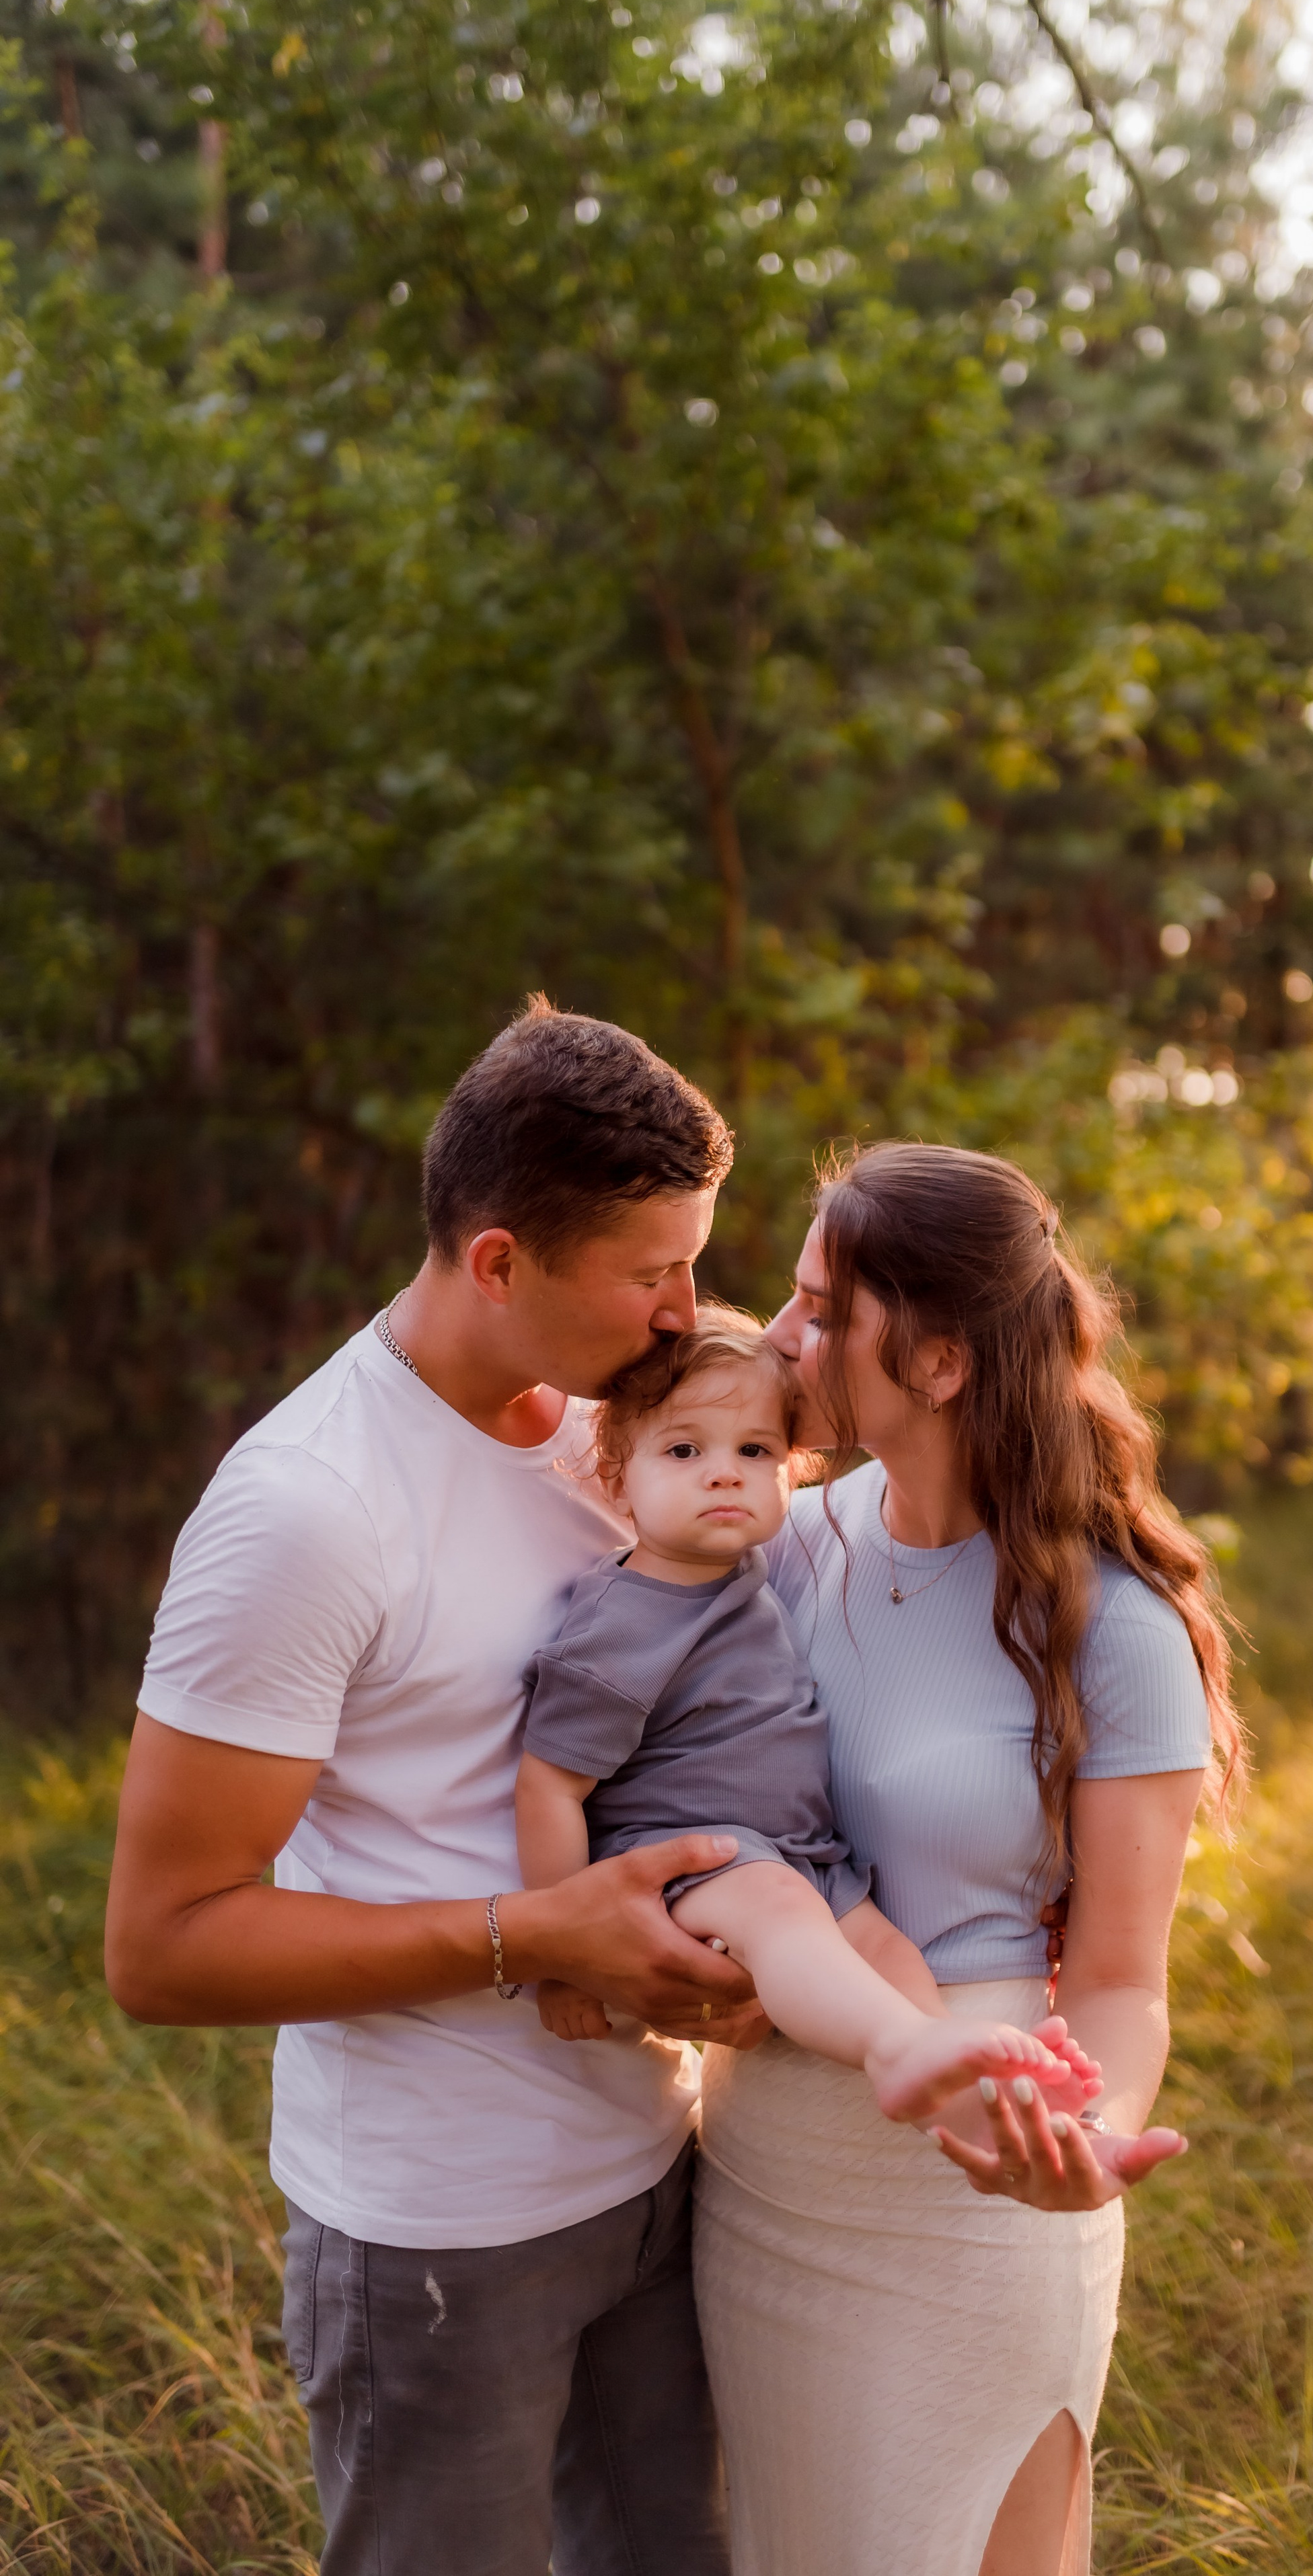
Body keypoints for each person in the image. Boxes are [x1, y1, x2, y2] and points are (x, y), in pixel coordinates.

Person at [104, 999, 762, 2576]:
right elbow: (163, 1946)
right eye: (650, 1272)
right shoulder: (307, 1511)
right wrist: (533, 1936)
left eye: (693, 1260)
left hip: (665, 2169)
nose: (685, 1311)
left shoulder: (627, 1425)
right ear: (498, 1261)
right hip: (439, 2238)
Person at [695, 1141, 1245, 2576]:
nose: (780, 1336)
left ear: (939, 1364)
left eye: (823, 1311)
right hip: (763, 2174)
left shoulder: (1113, 1628)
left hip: (980, 2183)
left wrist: (1089, 2137)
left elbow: (1122, 1981)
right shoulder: (775, 1546)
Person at [515, 1306, 1092, 2121]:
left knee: (881, 1944)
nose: (724, 1474)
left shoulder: (754, 1565)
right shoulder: (622, 1620)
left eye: (754, 1451)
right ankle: (898, 2049)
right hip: (689, 1859)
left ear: (792, 1472)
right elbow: (548, 1787)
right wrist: (562, 1957)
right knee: (785, 1915)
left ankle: (968, 2088)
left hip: (799, 1854)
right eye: (683, 1451)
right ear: (617, 1478)